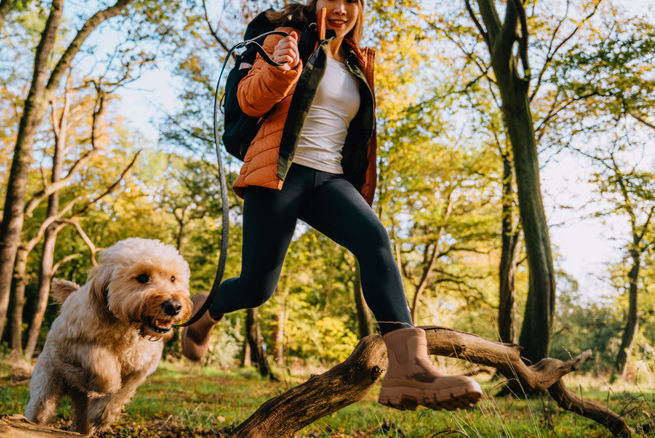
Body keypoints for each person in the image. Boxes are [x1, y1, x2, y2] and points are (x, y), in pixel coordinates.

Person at [182, 0, 482, 411]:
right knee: (257, 287)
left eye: (351, 1)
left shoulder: (358, 61)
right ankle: (206, 309)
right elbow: (249, 101)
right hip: (280, 171)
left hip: (331, 178)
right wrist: (280, 69)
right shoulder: (285, 37)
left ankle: (408, 369)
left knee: (374, 239)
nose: (340, 8)